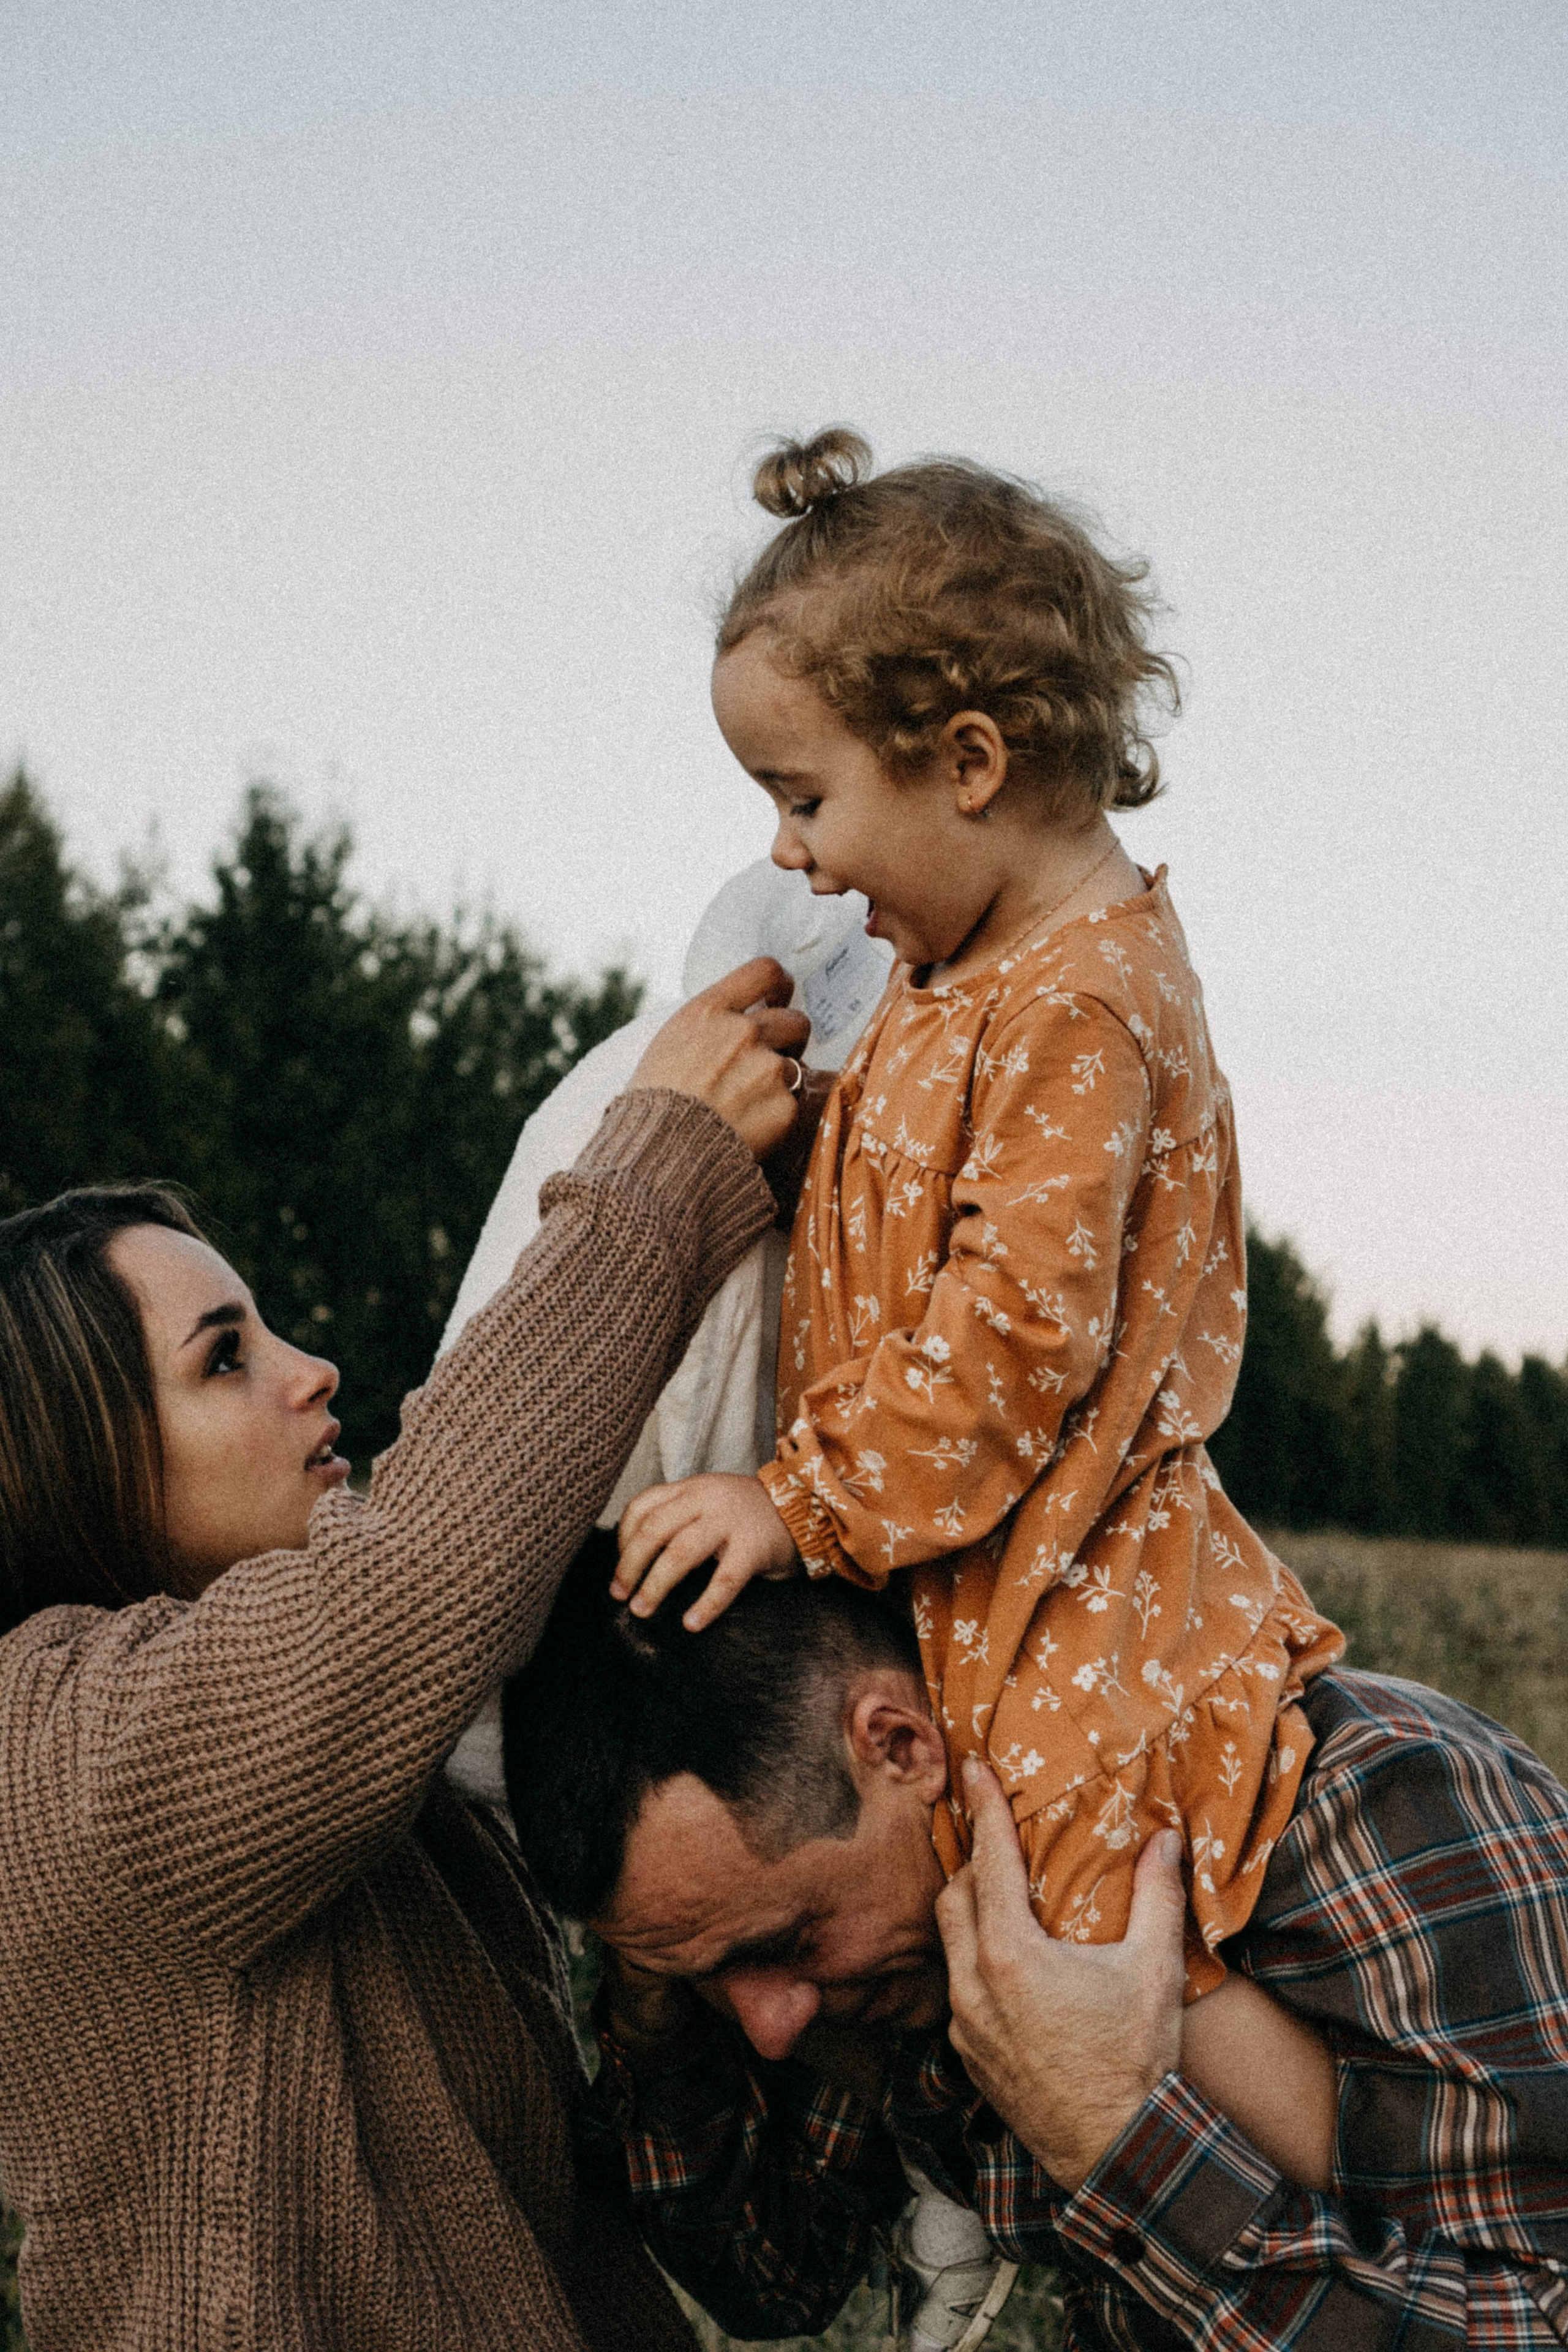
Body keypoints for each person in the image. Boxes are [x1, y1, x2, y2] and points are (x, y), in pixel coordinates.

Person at [614, 426, 1344, 2013]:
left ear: (966, 763)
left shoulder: (1080, 999)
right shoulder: (968, 963)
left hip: (1065, 1590)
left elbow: (1010, 1342)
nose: (788, 855)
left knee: (1073, 1931)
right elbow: (933, 1192)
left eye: (804, 797)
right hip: (968, 1565)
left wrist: (793, 1502)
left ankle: (1281, 2144)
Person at [0, 960, 805, 2352]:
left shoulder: (380, 1788)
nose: (311, 1369)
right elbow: (423, 1574)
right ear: (77, 1463)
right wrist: (660, 1159)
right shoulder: (48, 1761)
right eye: (224, 1359)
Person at [506, 1551, 1568, 2348]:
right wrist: (655, 2015)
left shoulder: (1384, 1813)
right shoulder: (896, 1949)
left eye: (785, 1941)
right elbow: (774, 2276)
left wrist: (1122, 2144)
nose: (773, 2027)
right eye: (707, 1974)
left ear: (899, 1746)